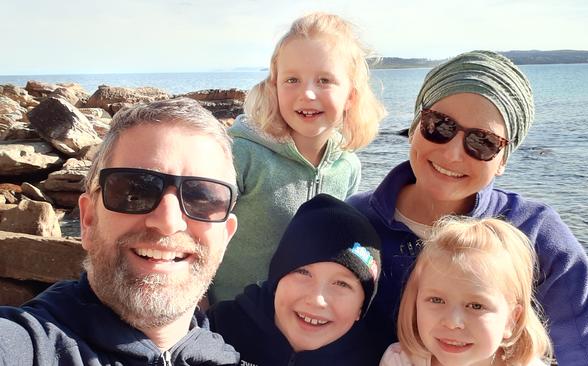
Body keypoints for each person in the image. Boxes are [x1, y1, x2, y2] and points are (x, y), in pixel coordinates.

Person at [347, 50, 588, 364]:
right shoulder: (353, 222)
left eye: (483, 142)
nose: (452, 154)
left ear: (503, 160)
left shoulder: (535, 230)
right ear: (414, 127)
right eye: (439, 125)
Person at [0, 98, 239, 365]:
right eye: (134, 191)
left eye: (203, 197)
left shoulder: (235, 355)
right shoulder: (27, 344)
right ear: (88, 220)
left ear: (226, 236)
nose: (168, 222)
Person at [209, 12, 386, 302]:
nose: (307, 93)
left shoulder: (347, 166)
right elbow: (201, 230)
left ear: (351, 96)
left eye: (324, 80)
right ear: (274, 88)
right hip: (228, 314)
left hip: (301, 316)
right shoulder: (243, 155)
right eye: (292, 79)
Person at [208, 194, 385, 365]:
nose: (317, 299)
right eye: (303, 272)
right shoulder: (216, 328)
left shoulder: (378, 358)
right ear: (276, 280)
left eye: (342, 283)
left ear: (361, 308)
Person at [379, 216, 552, 366]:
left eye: (476, 305)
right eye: (437, 300)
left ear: (512, 320)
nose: (453, 322)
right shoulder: (401, 361)